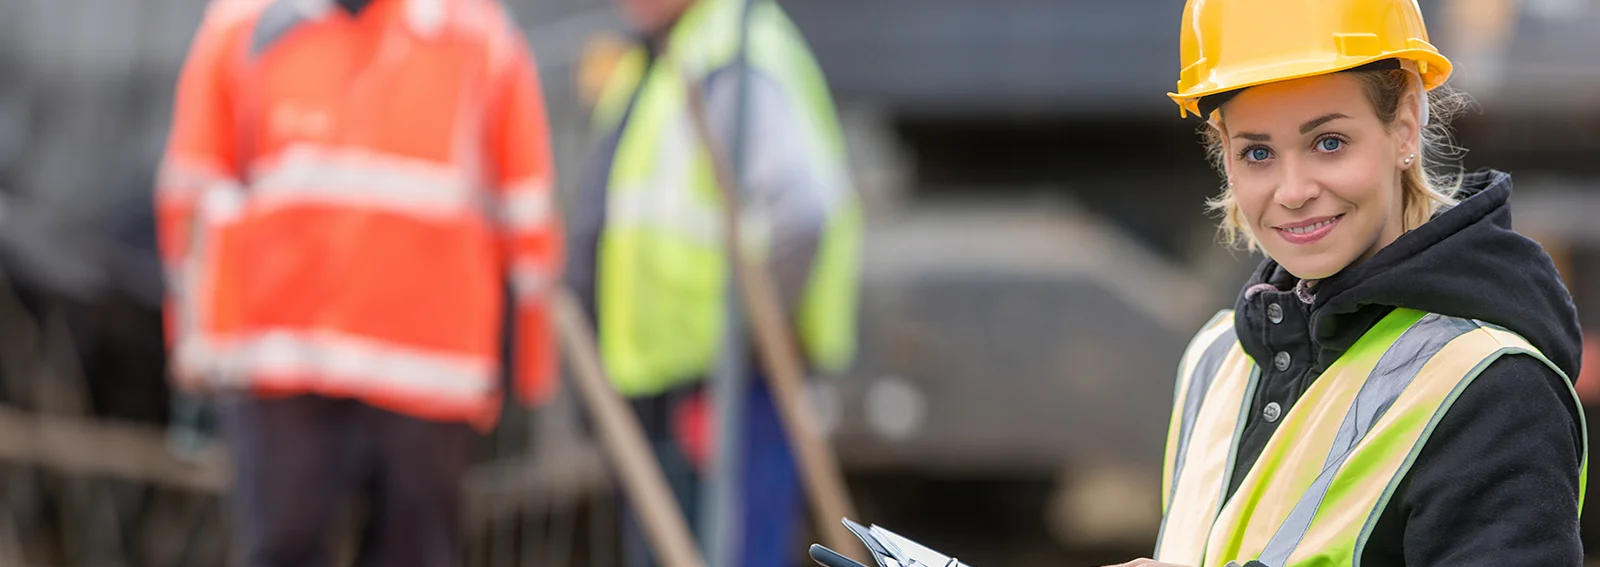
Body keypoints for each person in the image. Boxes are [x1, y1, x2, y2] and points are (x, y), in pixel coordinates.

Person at [1106, 1, 1588, 566]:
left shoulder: (1494, 387)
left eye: (1329, 142)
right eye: (1257, 153)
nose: (1292, 190)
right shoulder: (1217, 360)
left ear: (1404, 126)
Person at [154, 0, 562, 565]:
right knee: (282, 550)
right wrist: (192, 343)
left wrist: (529, 368)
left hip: (424, 376)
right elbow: (191, 195)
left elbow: (525, 205)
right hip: (282, 368)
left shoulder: (477, 36)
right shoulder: (244, 27)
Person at [566, 0, 862, 565]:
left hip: (722, 389)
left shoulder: (729, 58)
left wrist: (740, 342)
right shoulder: (665, 52)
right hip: (670, 379)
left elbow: (801, 213)